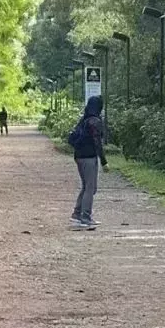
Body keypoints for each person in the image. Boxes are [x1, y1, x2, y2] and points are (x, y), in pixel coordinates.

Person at [69, 94, 107, 230]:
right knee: (90, 187)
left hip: (79, 156)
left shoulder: (84, 119)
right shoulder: (95, 121)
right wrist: (104, 161)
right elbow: (97, 143)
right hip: (89, 157)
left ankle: (77, 214)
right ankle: (85, 217)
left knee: (87, 186)